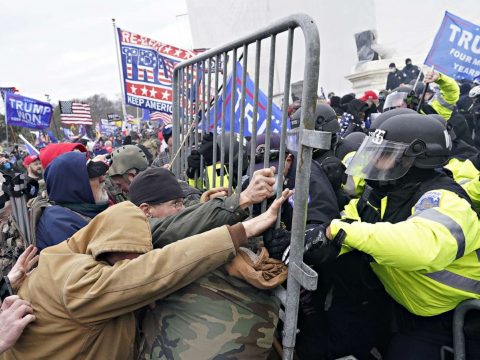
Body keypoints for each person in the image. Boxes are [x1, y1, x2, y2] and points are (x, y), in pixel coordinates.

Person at [275, 113, 480, 359]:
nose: (373, 160)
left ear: (416, 158)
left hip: (455, 318)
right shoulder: (378, 197)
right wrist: (307, 241)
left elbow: (421, 247)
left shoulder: (447, 201)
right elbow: (344, 229)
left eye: (384, 154)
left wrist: (339, 232)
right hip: (400, 307)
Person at [1, 190, 290, 359]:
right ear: (108, 246)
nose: (137, 262)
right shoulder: (77, 283)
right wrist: (243, 231)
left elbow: (163, 234)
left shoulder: (64, 254)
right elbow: (158, 269)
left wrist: (228, 206)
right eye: (130, 256)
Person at [128, 167, 285, 359]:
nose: (182, 209)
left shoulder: (166, 226)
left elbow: (188, 221)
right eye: (176, 203)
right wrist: (242, 199)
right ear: (146, 211)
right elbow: (176, 227)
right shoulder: (139, 231)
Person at [35, 152, 110, 251]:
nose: (102, 179)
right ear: (73, 185)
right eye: (93, 175)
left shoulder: (80, 213)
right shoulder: (60, 223)